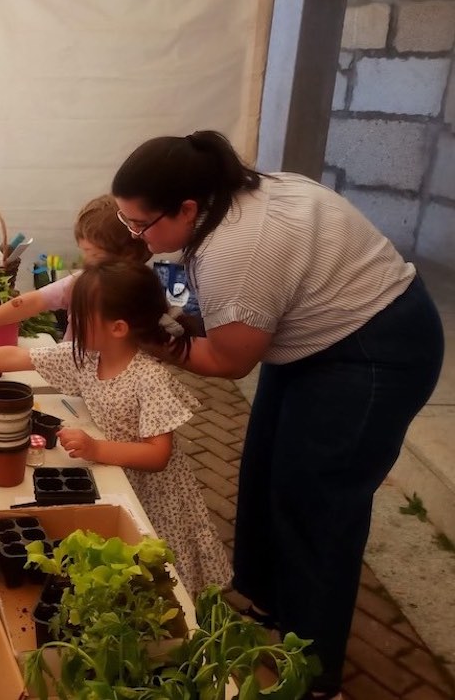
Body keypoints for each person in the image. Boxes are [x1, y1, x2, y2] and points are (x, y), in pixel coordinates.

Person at [111, 130, 444, 700]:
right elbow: (214, 318)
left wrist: (149, 339)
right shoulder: (231, 198)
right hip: (316, 339)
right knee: (267, 470)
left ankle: (315, 677)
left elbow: (228, 359)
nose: (137, 239)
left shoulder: (238, 245)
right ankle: (277, 609)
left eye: (140, 227)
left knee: (318, 507)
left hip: (374, 350)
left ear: (187, 208)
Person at [0, 261, 232, 596]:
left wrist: (96, 449)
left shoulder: (149, 378)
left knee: (160, 567)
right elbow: (17, 357)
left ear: (118, 328)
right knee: (125, 562)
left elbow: (158, 454)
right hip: (118, 476)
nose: (71, 321)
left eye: (81, 315)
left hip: (155, 493)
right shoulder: (88, 356)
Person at [0, 195, 150, 353]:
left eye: (94, 254)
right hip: (72, 378)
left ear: (129, 256)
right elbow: (31, 302)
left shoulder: (142, 296)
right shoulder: (79, 282)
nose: (86, 261)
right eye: (84, 252)